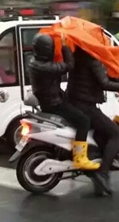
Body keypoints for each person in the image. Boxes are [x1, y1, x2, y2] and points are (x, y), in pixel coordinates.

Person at [67, 47, 119, 196]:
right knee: (117, 134)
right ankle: (103, 172)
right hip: (86, 106)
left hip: (75, 102)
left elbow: (97, 78)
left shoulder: (78, 55)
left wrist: (118, 79)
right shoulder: (92, 58)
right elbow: (104, 83)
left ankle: (96, 167)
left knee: (102, 133)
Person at [28, 34, 99, 171]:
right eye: (52, 49)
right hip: (54, 104)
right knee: (84, 121)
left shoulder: (33, 62)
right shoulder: (43, 67)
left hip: (51, 99)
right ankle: (80, 158)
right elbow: (68, 66)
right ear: (47, 50)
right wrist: (66, 46)